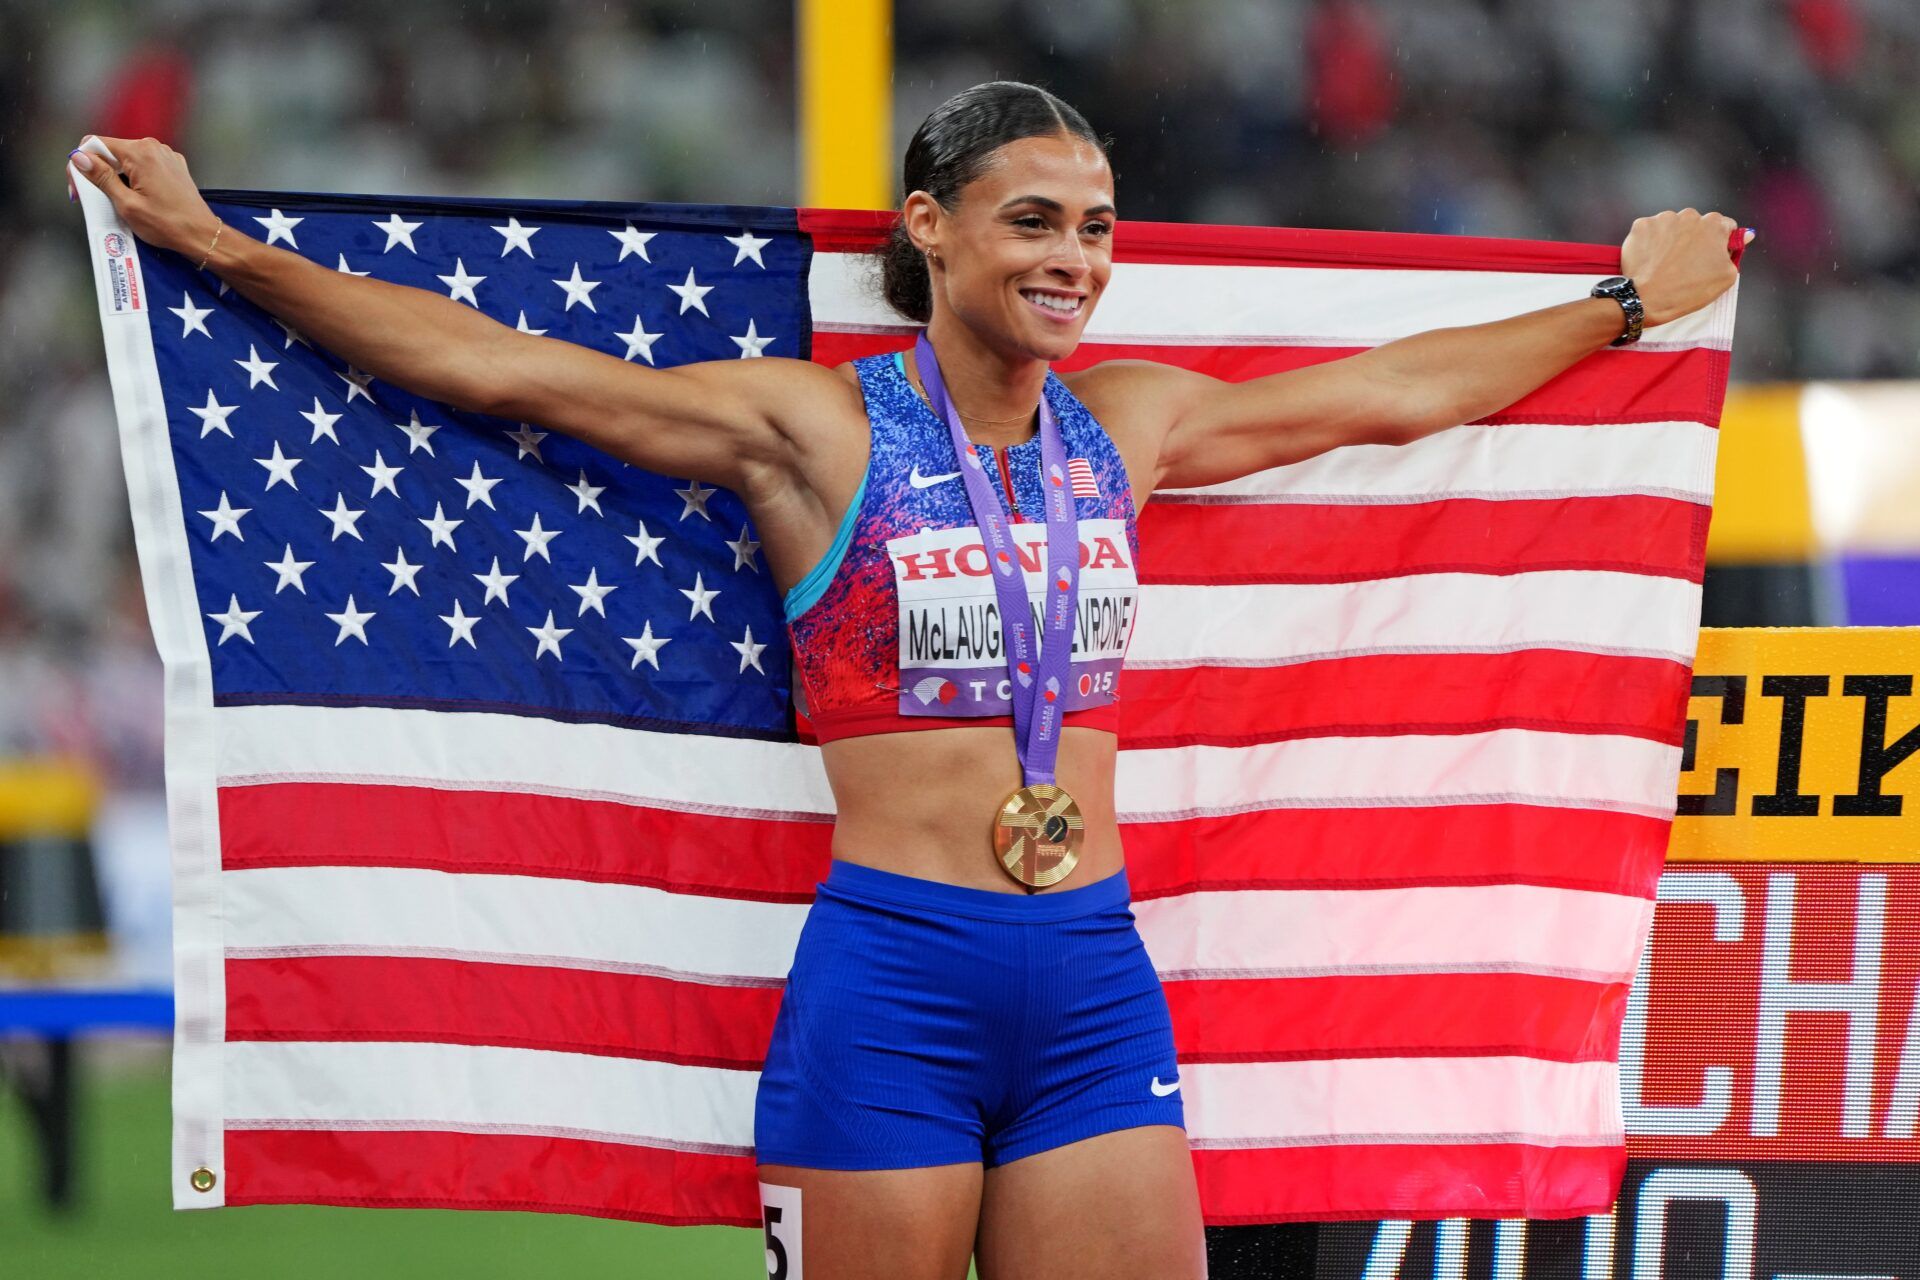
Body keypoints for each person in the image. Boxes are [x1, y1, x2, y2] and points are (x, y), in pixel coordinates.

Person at [67, 80, 1746, 1280]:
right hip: (894, 987)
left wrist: (1620, 302)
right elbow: (509, 368)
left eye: (1094, 227)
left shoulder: (1135, 422)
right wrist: (219, 246)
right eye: (1034, 221)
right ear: (928, 231)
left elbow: (1394, 393)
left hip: (1093, 980)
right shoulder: (816, 425)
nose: (1075, 256)